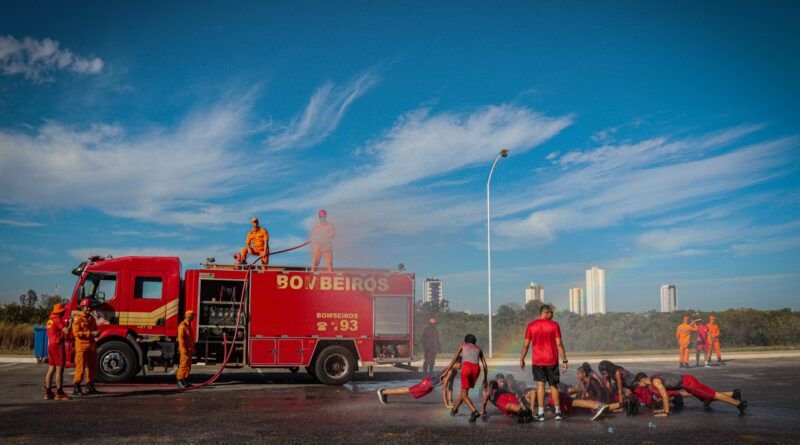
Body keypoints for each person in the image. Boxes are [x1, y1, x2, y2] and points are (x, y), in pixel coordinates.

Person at [519, 304, 568, 421]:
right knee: (553, 385)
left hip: (538, 360)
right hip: (551, 360)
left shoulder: (531, 326)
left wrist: (522, 358)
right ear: (545, 313)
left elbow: (526, 344)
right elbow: (559, 344)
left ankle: (541, 413)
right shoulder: (554, 325)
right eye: (551, 313)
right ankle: (558, 412)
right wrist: (564, 360)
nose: (553, 315)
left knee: (540, 385)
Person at [634, 372, 747, 416]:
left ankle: (739, 404)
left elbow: (664, 396)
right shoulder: (654, 378)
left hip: (689, 383)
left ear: (642, 380)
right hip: (687, 382)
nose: (638, 386)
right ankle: (734, 394)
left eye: (638, 383)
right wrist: (663, 409)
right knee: (705, 398)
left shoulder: (655, 382)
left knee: (712, 395)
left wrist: (666, 413)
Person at [442, 334, 488, 423]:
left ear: (465, 341)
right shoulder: (478, 349)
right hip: (476, 369)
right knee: (464, 392)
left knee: (464, 394)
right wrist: (485, 379)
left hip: (467, 367)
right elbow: (485, 365)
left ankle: (474, 411)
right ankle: (455, 410)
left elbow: (454, 359)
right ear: (475, 341)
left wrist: (445, 371)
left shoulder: (462, 345)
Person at [72, 298, 100, 395]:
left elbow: (95, 329)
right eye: (86, 307)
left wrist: (97, 333)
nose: (88, 309)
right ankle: (76, 386)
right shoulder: (78, 318)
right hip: (81, 347)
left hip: (91, 346)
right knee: (80, 367)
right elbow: (76, 333)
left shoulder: (92, 318)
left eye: (89, 307)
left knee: (92, 367)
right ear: (82, 307)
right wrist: (91, 333)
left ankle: (90, 386)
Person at [43, 303, 70, 400]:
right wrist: (70, 323)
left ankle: (48, 392)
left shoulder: (49, 320)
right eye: (63, 311)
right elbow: (66, 331)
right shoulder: (57, 319)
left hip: (50, 345)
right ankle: (59, 393)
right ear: (60, 311)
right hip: (57, 345)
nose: (64, 312)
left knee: (51, 369)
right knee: (59, 370)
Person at [176, 310, 195, 389]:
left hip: (189, 349)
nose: (193, 318)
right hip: (185, 350)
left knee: (188, 365)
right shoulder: (182, 326)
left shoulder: (188, 326)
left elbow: (190, 339)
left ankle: (184, 380)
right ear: (189, 317)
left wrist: (192, 348)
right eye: (192, 316)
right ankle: (180, 380)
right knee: (183, 365)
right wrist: (183, 349)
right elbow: (181, 339)